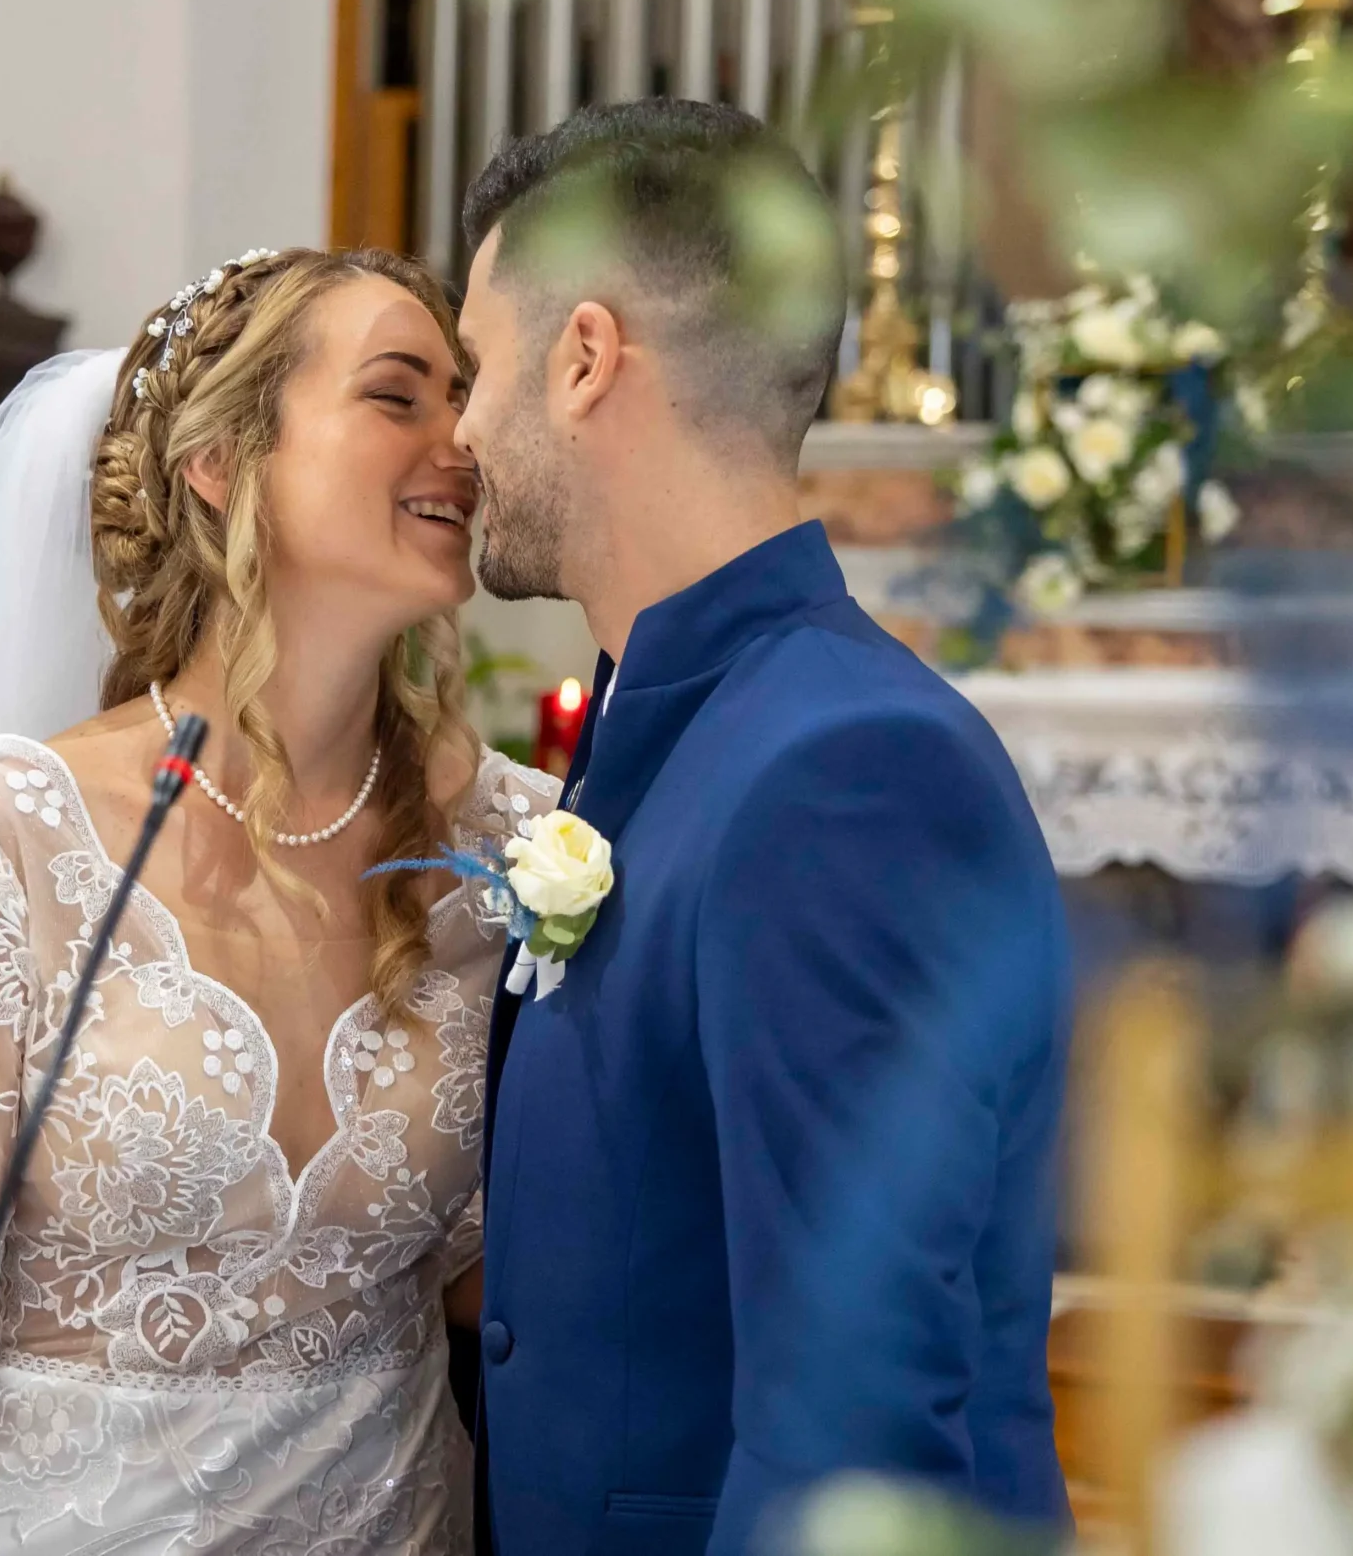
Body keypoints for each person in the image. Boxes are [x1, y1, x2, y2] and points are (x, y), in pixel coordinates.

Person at [0, 248, 555, 1556]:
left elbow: (502, 1274)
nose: (459, 438)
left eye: (465, 391)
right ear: (219, 465)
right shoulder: (7, 836)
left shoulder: (515, 844)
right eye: (398, 395)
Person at [456, 100, 1073, 1555]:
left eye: (476, 365)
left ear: (586, 357)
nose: (464, 428)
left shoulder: (845, 771)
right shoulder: (669, 730)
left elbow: (850, 1429)